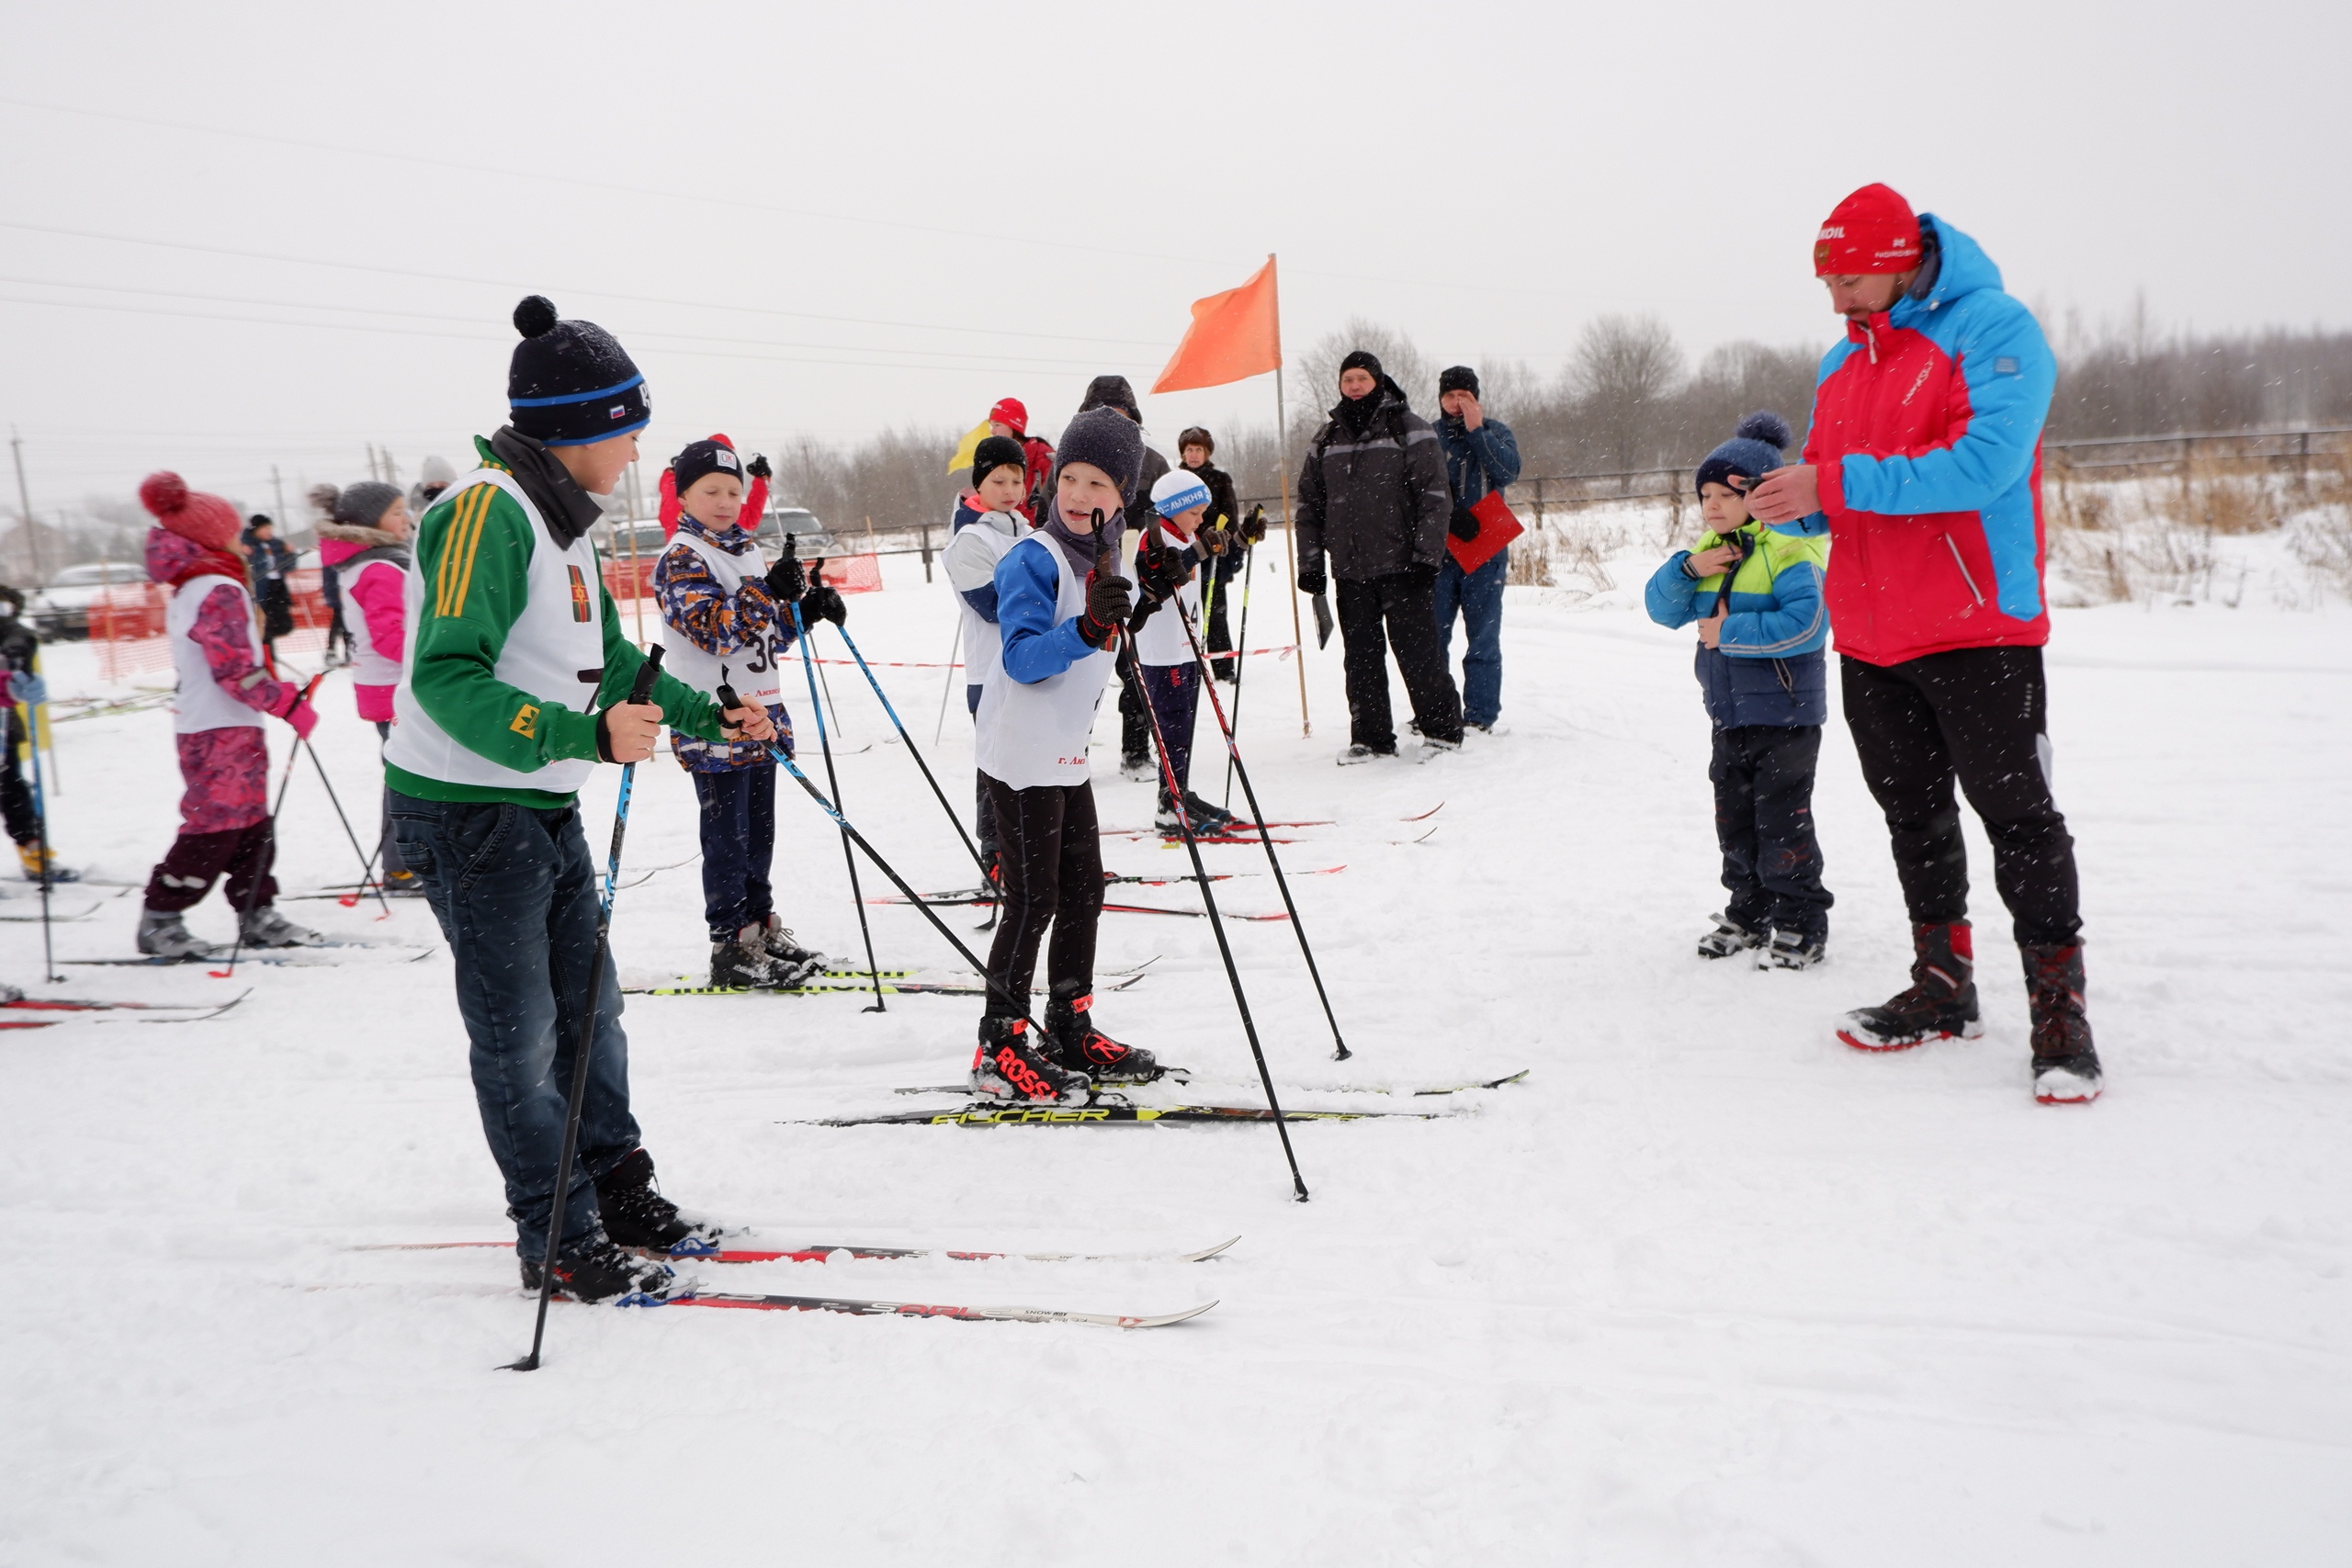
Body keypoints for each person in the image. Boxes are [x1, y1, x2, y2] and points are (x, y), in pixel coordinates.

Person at [383, 296, 779, 1303]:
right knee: (521, 1035)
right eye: (627, 428)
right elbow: (446, 677)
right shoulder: (486, 510)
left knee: (591, 1011)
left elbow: (608, 659)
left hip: (538, 800)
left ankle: (615, 1188)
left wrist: (706, 710)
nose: (639, 447)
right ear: (577, 428)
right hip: (468, 809)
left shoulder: (564, 522)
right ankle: (556, 1234)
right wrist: (581, 737)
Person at [1746, 183, 2100, 1106]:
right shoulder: (1839, 361)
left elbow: (1984, 466)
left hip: (1976, 627)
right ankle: (1943, 983)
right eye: (1826, 282)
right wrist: (1784, 509)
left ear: (1901, 260)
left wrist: (1831, 484)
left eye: (1849, 279)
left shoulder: (1993, 328)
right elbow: (1832, 488)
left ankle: (2059, 1013)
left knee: (2018, 817)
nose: (1836, 299)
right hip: (1870, 635)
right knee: (1913, 816)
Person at [970, 405, 1161, 1102]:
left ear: (1122, 496)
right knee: (1032, 900)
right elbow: (1022, 659)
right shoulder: (1034, 557)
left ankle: (1069, 1023)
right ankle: (999, 1044)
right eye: (1070, 477)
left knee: (1085, 890)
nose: (1079, 494)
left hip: (1064, 750)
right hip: (1022, 754)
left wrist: (1151, 593)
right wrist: (1085, 627)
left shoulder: (1106, 557)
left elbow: (1112, 625)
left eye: (1098, 483)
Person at [1644, 413, 1831, 969]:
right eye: (1705, 495)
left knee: (1782, 822)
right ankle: (1749, 913)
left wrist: (1730, 633)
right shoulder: (1712, 549)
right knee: (1735, 822)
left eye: (1728, 494)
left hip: (1786, 716)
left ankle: (1800, 922)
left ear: (1762, 494)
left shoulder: (1792, 550)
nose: (1713, 506)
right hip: (1728, 716)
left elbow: (1809, 624)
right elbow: (1662, 610)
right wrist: (1688, 568)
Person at [650, 434, 828, 990]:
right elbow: (715, 632)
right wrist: (765, 591)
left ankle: (759, 927)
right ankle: (730, 942)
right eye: (711, 491)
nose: (726, 502)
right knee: (728, 838)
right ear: (683, 496)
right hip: (714, 722)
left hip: (763, 717)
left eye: (733, 491)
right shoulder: (682, 557)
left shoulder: (744, 549)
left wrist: (804, 613)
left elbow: (762, 636)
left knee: (759, 835)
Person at [133, 473, 323, 959]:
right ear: (212, 537)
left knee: (251, 823)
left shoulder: (198, 585)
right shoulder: (217, 588)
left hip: (225, 724)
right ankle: (161, 918)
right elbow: (235, 671)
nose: (243, 542)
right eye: (234, 533)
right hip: (216, 727)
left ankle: (257, 910)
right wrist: (288, 703)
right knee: (215, 826)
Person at [1295, 350, 1464, 762]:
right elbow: (1309, 506)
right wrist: (1311, 564)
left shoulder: (1409, 428)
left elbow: (1435, 496)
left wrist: (1427, 556)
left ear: (1378, 382)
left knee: (1418, 654)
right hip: (1351, 571)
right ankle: (1371, 738)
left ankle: (1442, 732)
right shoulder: (1327, 438)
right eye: (1347, 379)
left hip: (1404, 567)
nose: (1354, 386)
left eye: (1362, 378)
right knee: (1361, 659)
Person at [1069, 375, 1172, 782]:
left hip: (1133, 579)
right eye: (1101, 413)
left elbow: (1166, 521)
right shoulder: (1073, 459)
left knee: (1135, 673)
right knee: (1079, 672)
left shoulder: (1153, 462)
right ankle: (1070, 752)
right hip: (1084, 581)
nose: (1111, 420)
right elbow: (1050, 511)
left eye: (1119, 413)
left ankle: (1136, 751)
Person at [314, 481, 415, 892]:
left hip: (390, 687)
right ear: (371, 522)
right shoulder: (379, 568)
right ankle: (402, 866)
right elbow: (391, 638)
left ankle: (407, 862)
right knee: (410, 779)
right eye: (396, 512)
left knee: (409, 775)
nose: (407, 519)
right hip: (397, 689)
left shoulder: (371, 562)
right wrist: (441, 653)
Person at [944, 434, 1036, 882]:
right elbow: (991, 604)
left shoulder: (1029, 532)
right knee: (996, 769)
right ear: (979, 482)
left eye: (1016, 480)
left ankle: (1034, 851)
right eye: (998, 480)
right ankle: (996, 856)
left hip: (1032, 667)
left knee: (1034, 762)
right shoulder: (970, 538)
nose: (1009, 490)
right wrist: (1040, 592)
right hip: (991, 673)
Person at [1134, 468, 1238, 835]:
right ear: (1172, 508)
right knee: (1172, 727)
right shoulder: (1154, 537)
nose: (1200, 519)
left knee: (1184, 726)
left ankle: (1180, 791)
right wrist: (1196, 552)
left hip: (1186, 646)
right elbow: (1158, 581)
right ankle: (1169, 805)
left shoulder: (1186, 534)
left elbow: (1200, 560)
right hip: (1163, 652)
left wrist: (1232, 541)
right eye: (1194, 512)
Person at [1430, 366, 1522, 734]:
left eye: (1464, 397)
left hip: (1486, 554)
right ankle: (1435, 711)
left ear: (1476, 400)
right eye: (1450, 396)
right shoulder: (1428, 435)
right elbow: (1413, 487)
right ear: (1440, 399)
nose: (1456, 403)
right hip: (1437, 555)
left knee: (1483, 638)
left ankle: (1480, 715)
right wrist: (1448, 515)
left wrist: (1476, 431)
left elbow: (1507, 472)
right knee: (1432, 639)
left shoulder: (1495, 432)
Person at [0, 586, 74, 883]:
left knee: (11, 789)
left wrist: (15, 654)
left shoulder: (7, 624)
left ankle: (32, 850)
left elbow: (17, 634)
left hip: (2, 725)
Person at [1176, 427, 1252, 681]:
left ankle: (1223, 668)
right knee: (1185, 615)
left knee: (1216, 614)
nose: (1193, 454)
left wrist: (1219, 537)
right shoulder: (1176, 480)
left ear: (1207, 453)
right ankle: (1186, 664)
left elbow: (1230, 517)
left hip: (1213, 557)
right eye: (1189, 450)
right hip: (1184, 557)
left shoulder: (1219, 479)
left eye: (1198, 449)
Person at [988, 398, 1054, 516]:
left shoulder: (1043, 458)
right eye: (992, 426)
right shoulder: (997, 460)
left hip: (1037, 527)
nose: (993, 431)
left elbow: (1057, 502)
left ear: (1014, 426)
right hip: (1007, 527)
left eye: (997, 425)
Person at [243, 515, 296, 655]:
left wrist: (290, 554)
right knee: (264, 626)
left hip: (277, 587)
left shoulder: (276, 544)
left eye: (270, 528)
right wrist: (245, 554)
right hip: (260, 589)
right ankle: (267, 656)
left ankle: (268, 652)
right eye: (265, 528)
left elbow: (289, 567)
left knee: (283, 625)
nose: (269, 531)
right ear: (256, 529)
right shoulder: (247, 544)